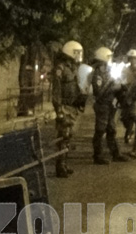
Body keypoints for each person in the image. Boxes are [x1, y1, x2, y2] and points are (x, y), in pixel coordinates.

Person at [89, 47, 129, 165]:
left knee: (111, 130)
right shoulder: (98, 74)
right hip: (102, 105)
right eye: (108, 57)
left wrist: (121, 88)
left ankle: (115, 153)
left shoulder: (107, 72)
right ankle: (97, 156)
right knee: (100, 130)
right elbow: (99, 92)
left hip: (110, 105)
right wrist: (115, 87)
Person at [52, 40, 84, 178]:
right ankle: (59, 167)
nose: (79, 56)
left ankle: (64, 164)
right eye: (76, 53)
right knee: (63, 137)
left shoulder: (73, 68)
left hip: (72, 108)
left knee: (68, 137)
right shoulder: (61, 69)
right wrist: (59, 110)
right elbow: (57, 91)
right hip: (64, 108)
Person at [119, 49, 136, 145]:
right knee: (124, 117)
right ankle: (130, 130)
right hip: (126, 95)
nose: (133, 60)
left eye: (134, 58)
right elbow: (121, 80)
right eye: (131, 58)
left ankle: (128, 134)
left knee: (132, 115)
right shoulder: (125, 69)